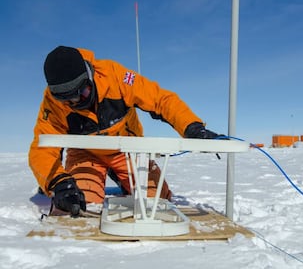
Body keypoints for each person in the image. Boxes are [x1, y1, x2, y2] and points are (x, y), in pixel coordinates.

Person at [29, 46, 220, 216]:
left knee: (156, 204)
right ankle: (92, 181)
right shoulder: (51, 104)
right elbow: (42, 147)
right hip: (85, 154)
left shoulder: (117, 77)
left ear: (90, 76)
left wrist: (192, 127)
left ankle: (123, 178)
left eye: (83, 93)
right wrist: (57, 181)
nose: (76, 102)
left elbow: (161, 100)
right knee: (78, 204)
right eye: (67, 100)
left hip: (127, 150)